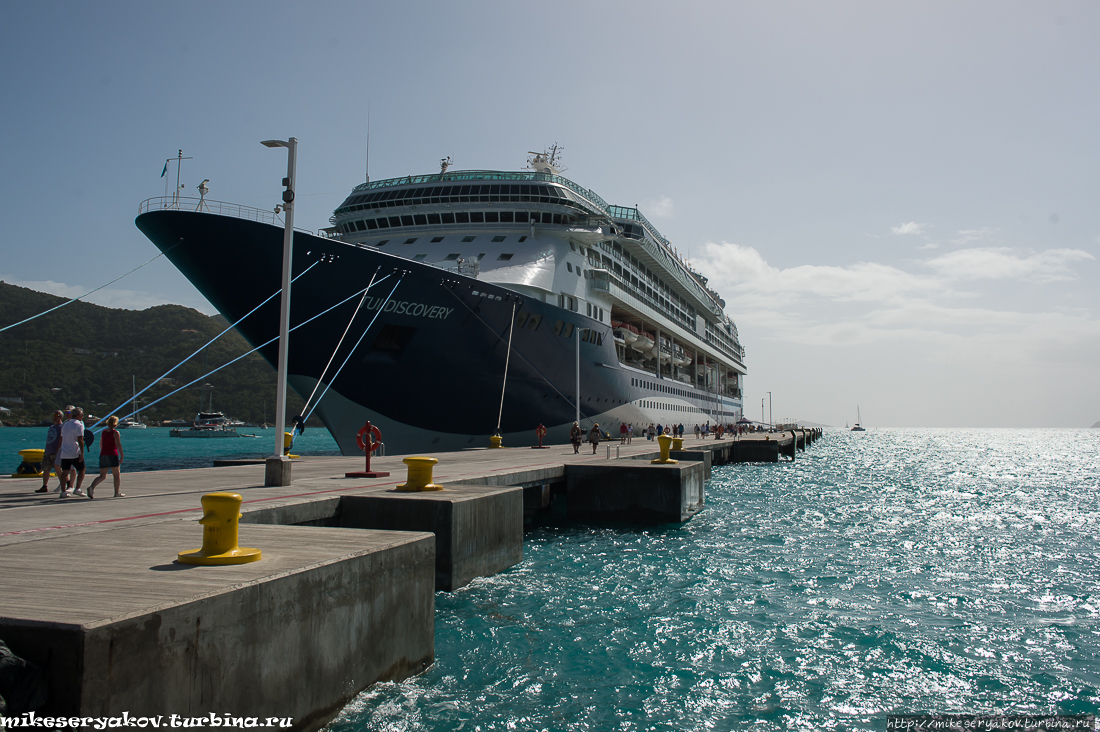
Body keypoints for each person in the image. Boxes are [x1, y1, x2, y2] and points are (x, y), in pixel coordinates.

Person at [87, 415, 125, 499]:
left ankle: (92, 487)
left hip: (103, 454)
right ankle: (117, 492)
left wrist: (103, 452)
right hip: (112, 454)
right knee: (116, 474)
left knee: (102, 475)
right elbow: (118, 444)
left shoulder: (104, 431)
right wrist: (122, 455)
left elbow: (101, 443)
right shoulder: (115, 433)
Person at [57, 407, 86, 498]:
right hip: (74, 451)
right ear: (78, 415)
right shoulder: (79, 424)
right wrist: (82, 452)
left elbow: (61, 438)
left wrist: (58, 448)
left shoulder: (65, 424)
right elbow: (80, 439)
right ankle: (77, 488)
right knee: (82, 469)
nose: (82, 417)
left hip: (64, 452)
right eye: (82, 415)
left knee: (65, 472)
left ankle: (63, 491)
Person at [35, 410, 65, 493]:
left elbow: (62, 439)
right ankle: (44, 486)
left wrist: (58, 449)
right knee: (46, 469)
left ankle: (63, 483)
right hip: (48, 451)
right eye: (54, 415)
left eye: (57, 415)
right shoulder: (51, 427)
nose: (55, 417)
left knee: (57, 468)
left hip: (56, 451)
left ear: (61, 417)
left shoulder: (62, 427)